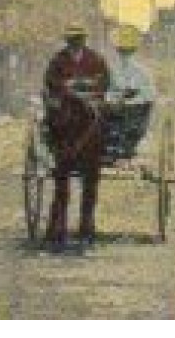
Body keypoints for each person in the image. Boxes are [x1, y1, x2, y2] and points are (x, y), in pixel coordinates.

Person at [43, 25, 111, 249]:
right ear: (67, 40)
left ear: (84, 39)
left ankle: (86, 225)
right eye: (72, 39)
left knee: (100, 121)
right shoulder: (58, 59)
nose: (75, 43)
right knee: (61, 180)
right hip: (66, 105)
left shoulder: (95, 59)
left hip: (90, 103)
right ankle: (57, 227)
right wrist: (67, 87)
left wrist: (90, 86)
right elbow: (50, 81)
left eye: (79, 39)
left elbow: (104, 80)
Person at [104, 28, 155, 159]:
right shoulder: (112, 70)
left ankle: (126, 148)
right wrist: (113, 100)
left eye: (127, 51)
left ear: (133, 51)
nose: (124, 55)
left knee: (128, 122)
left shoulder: (142, 72)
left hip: (135, 112)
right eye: (121, 51)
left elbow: (148, 96)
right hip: (116, 109)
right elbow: (107, 90)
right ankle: (109, 148)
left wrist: (129, 101)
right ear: (117, 51)